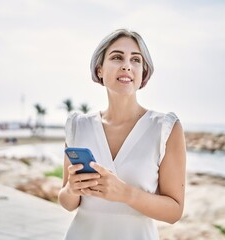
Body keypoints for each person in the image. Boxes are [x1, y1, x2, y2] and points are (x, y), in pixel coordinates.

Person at [58, 29, 186, 240]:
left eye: (136, 60)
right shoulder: (77, 125)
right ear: (99, 70)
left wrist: (125, 193)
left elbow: (174, 211)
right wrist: (72, 190)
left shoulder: (166, 128)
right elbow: (67, 202)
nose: (127, 65)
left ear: (143, 72)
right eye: (117, 57)